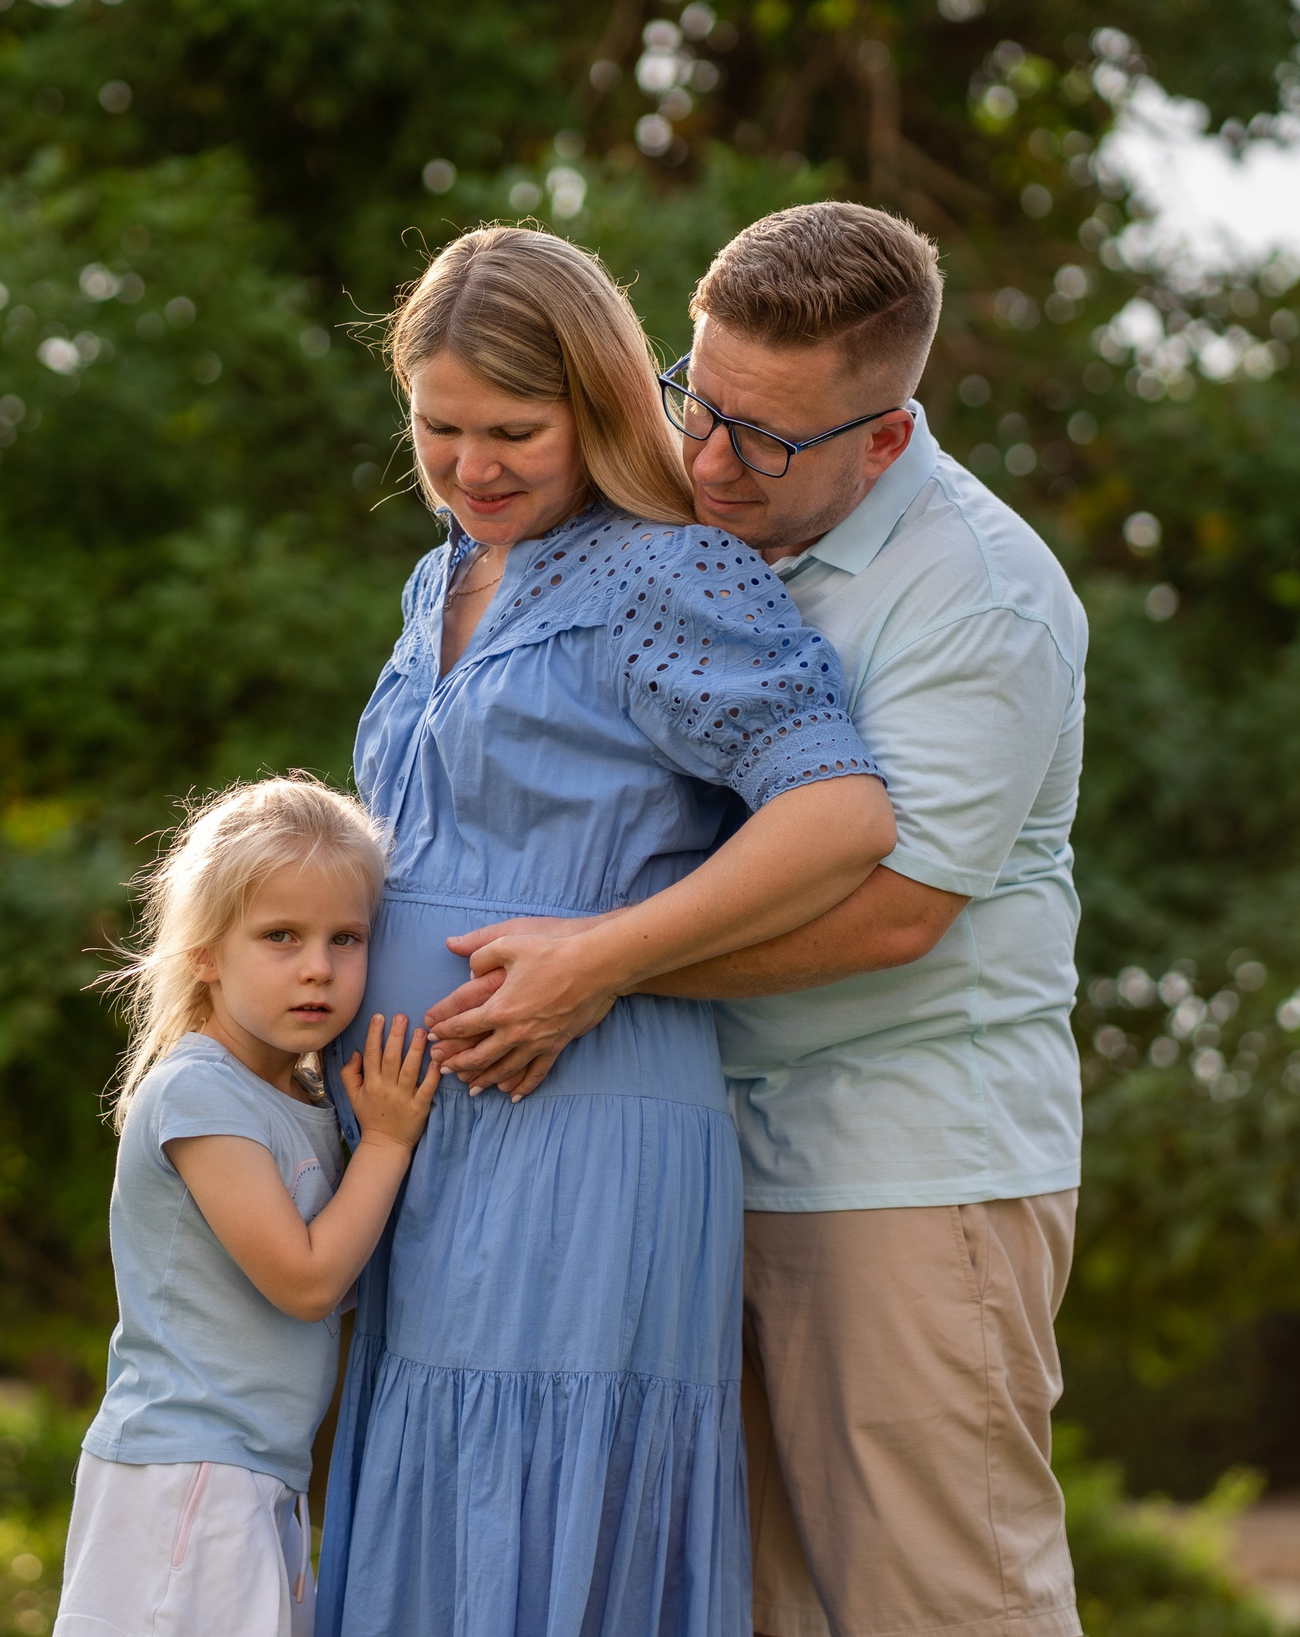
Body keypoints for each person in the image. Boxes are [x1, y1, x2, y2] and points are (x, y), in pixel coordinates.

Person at [434, 203, 1089, 1637]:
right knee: (753, 1605)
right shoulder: (681, 522)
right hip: (701, 1152)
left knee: (940, 1600)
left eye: (769, 440)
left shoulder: (980, 601)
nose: (713, 460)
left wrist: (598, 967)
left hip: (906, 1166)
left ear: (886, 434)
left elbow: (895, 908)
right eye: (699, 401)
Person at [314, 224, 895, 1635]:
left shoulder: (666, 575)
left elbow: (840, 817)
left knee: (536, 1501)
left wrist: (602, 957)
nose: (472, 466)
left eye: (515, 428)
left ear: (602, 400)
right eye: (439, 428)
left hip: (580, 1112)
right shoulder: (442, 572)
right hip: (420, 1122)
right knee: (428, 1501)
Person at [58, 776, 441, 1637]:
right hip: (188, 1475)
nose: (319, 965)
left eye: (347, 937)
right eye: (281, 936)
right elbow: (308, 1283)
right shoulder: (200, 1093)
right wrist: (385, 1144)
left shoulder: (300, 1097)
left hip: (253, 1474)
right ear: (204, 951)